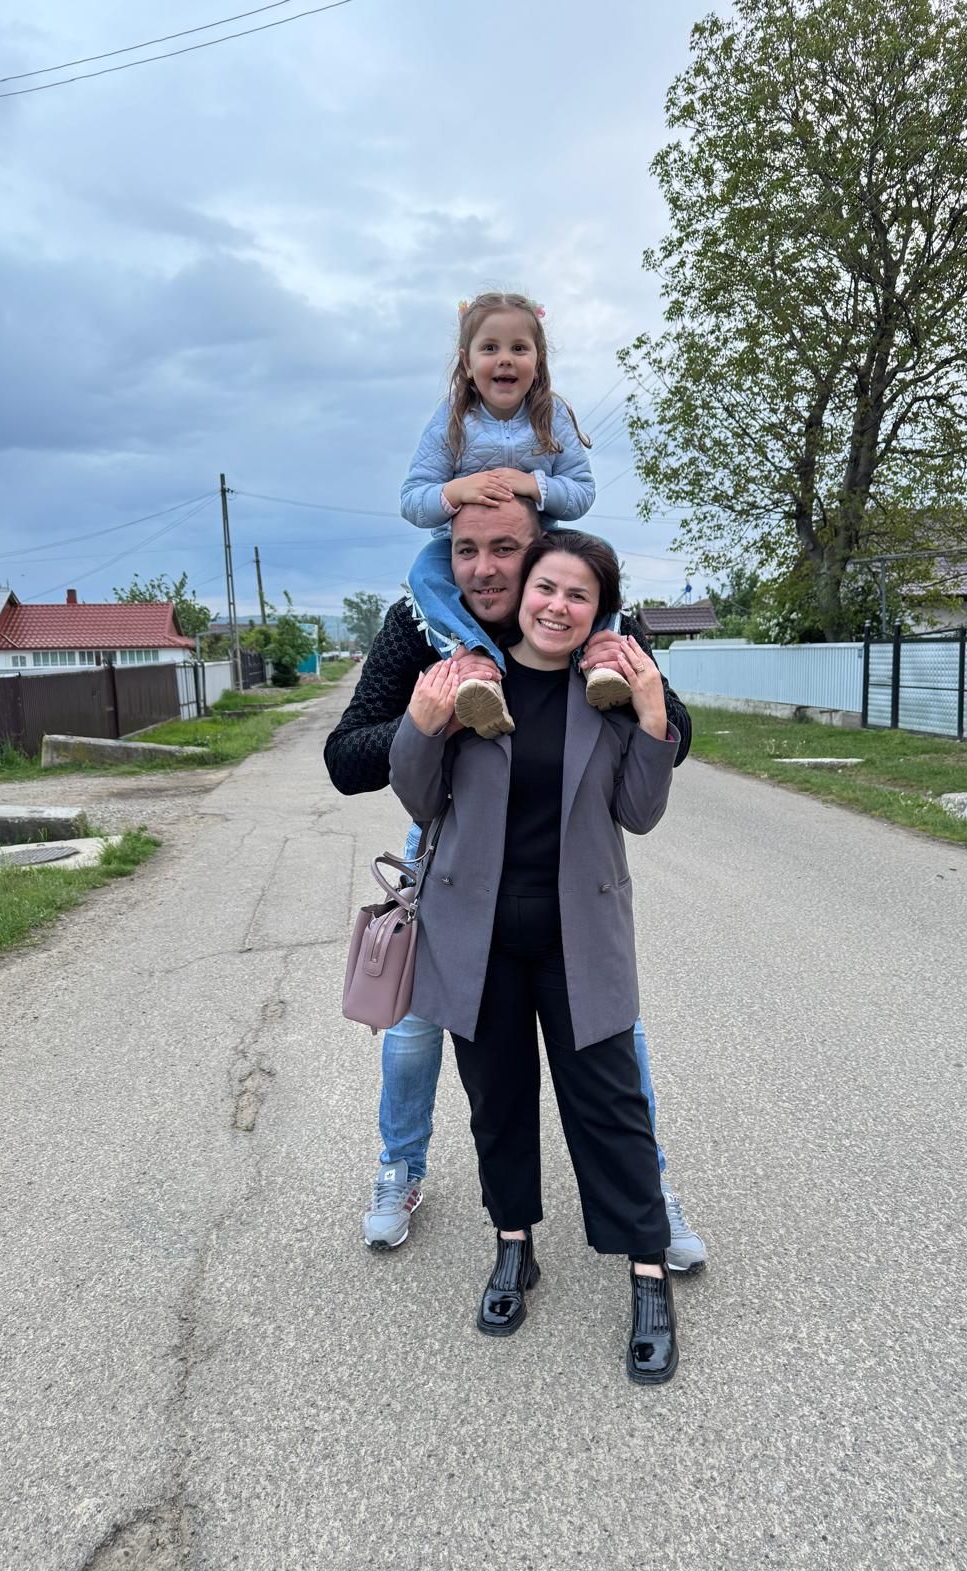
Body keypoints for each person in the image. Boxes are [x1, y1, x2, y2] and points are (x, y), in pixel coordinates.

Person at [323, 496, 708, 1276]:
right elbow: (345, 759)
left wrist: (632, 688)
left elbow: (674, 734)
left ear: (538, 551)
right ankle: (403, 1166)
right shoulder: (420, 626)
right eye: (465, 549)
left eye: (505, 549)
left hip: (563, 865)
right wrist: (432, 716)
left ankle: (649, 1191)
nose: (483, 568)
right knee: (419, 1031)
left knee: (611, 1037)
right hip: (454, 842)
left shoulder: (587, 619)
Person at [390, 530, 680, 1383]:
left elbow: (639, 813)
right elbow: (420, 795)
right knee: (499, 1102)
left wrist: (653, 713)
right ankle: (513, 1244)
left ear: (600, 612)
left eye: (578, 595)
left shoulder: (609, 695)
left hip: (579, 935)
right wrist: (421, 725)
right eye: (546, 587)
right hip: (474, 935)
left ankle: (649, 1271)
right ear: (522, 595)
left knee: (611, 1106)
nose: (557, 606)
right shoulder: (468, 679)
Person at [400, 291, 629, 737]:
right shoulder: (452, 419)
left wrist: (533, 485)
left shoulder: (552, 415)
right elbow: (412, 499)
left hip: (541, 543)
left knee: (600, 558)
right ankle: (474, 660)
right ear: (467, 362)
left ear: (537, 361)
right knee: (424, 572)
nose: (505, 359)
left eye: (519, 348)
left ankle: (600, 657)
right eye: (490, 347)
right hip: (462, 540)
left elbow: (582, 492)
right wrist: (455, 490)